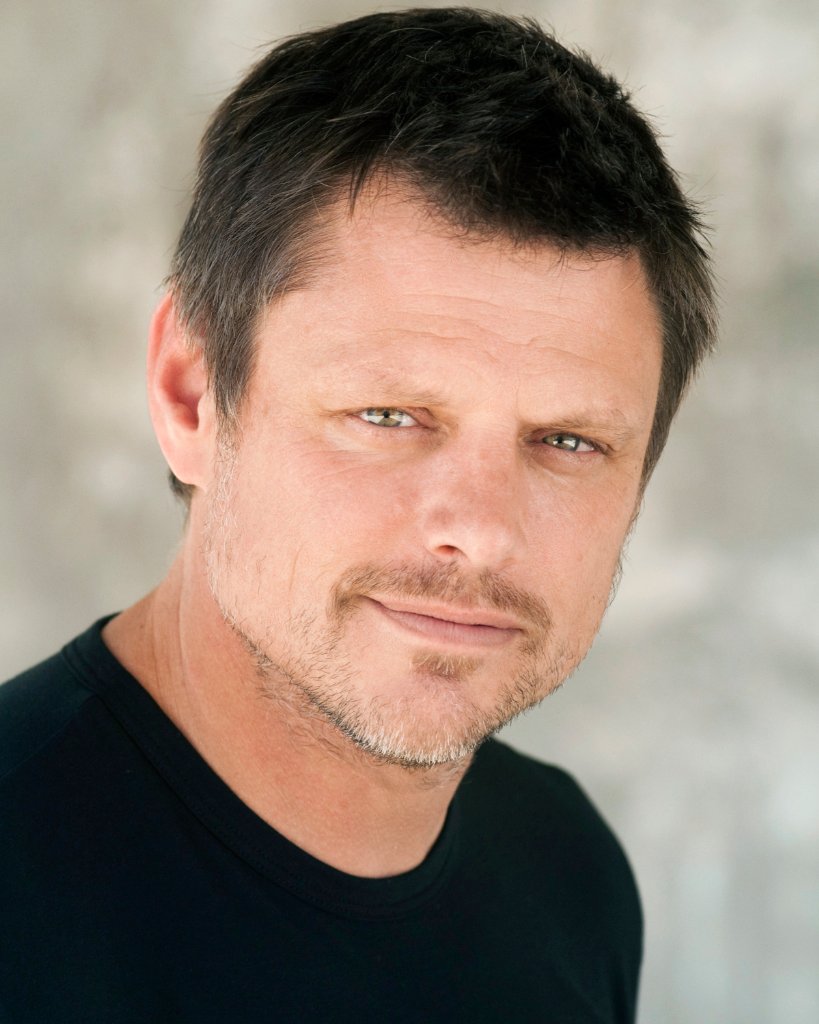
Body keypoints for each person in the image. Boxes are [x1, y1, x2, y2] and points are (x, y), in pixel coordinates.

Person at [0, 8, 716, 1023]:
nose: (482, 530)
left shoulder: (568, 873)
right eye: (388, 416)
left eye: (567, 441)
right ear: (190, 396)